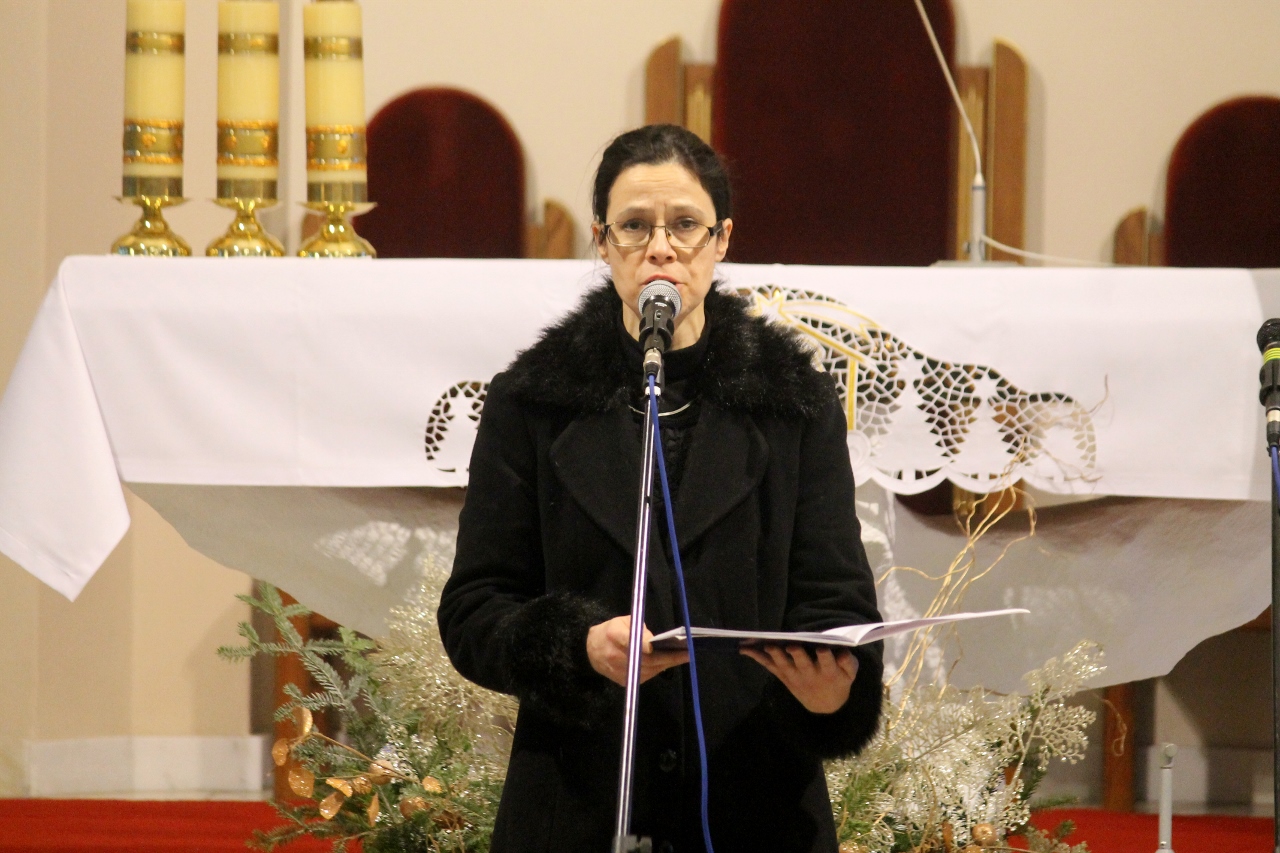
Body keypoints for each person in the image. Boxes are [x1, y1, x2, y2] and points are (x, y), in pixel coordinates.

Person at [438, 124, 883, 853]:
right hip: (580, 800)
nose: (661, 248)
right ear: (602, 241)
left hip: (754, 803)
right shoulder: (534, 402)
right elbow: (473, 609)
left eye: (685, 225)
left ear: (722, 240)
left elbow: (836, 604)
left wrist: (835, 692)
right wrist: (579, 644)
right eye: (635, 226)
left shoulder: (793, 405)